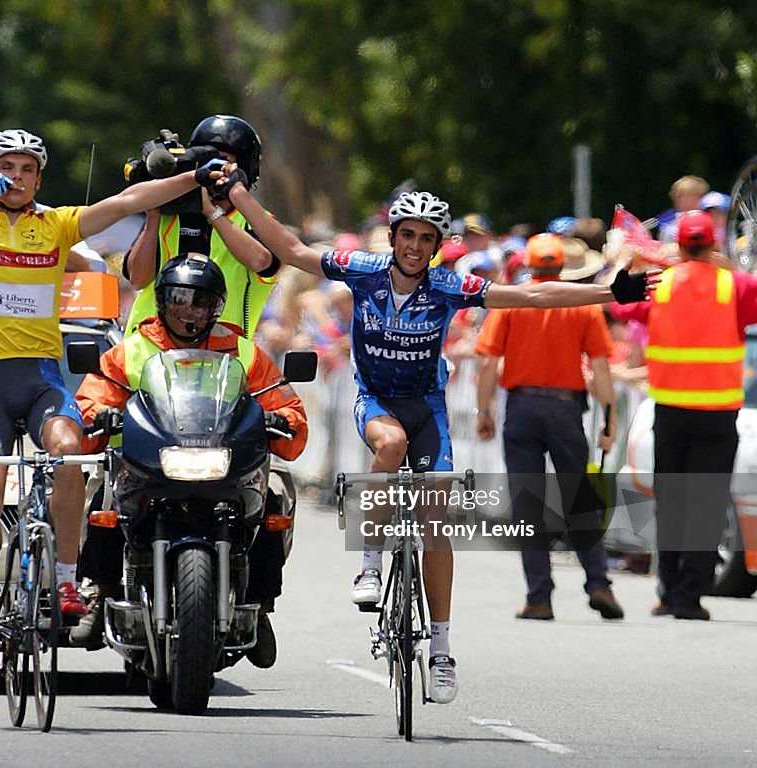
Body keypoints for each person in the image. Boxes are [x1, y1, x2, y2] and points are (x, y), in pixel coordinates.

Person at [221, 174, 651, 704]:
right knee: (390, 447)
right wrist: (237, 193)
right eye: (408, 235)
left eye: (427, 239)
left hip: (427, 407)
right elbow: (288, 248)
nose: (415, 247)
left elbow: (532, 295)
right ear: (395, 236)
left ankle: (442, 650)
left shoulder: (449, 285)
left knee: (436, 524)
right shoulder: (364, 272)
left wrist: (610, 291)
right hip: (376, 401)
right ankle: (371, 562)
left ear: (436, 246)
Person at [0, 127, 221, 683]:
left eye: (27, 170)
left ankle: (66, 578)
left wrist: (194, 176)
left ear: (40, 178)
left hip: (42, 379)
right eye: (6, 168)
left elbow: (129, 201)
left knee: (69, 451)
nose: (17, 178)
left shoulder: (57, 225)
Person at [76, 254, 308, 667]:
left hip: (223, 460)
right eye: (179, 299)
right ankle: (103, 590)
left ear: (215, 307)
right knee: (100, 495)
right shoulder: (130, 350)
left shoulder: (243, 352)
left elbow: (285, 402)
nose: (189, 309)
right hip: (148, 461)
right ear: (163, 302)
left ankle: (261, 603)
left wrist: (283, 419)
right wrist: (98, 415)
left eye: (200, 301)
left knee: (276, 495)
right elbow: (92, 399)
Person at [474, 233, 624, 621]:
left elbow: (488, 363)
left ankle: (539, 596)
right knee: (579, 499)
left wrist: (484, 411)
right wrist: (609, 417)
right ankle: (599, 582)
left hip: (523, 406)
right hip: (564, 409)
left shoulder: (509, 302)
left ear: (529, 265)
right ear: (562, 267)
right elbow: (602, 367)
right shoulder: (583, 305)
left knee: (528, 504)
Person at [614, 210, 757, 619]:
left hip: (671, 411)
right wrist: (729, 267)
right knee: (707, 506)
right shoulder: (734, 285)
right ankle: (689, 598)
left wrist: (629, 264)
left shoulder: (661, 286)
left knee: (672, 503)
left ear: (678, 246)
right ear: (713, 245)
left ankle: (668, 591)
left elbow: (622, 308)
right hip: (718, 414)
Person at [122, 115, 278, 338]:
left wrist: (211, 212)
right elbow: (138, 279)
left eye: (220, 160)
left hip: (222, 357)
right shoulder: (170, 213)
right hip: (150, 353)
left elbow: (262, 262)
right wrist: (153, 213)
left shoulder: (257, 220)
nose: (212, 169)